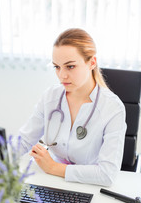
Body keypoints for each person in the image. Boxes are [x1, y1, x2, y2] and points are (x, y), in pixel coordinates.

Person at [18, 28, 126, 186]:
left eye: (70, 67)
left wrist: (54, 167)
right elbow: (23, 142)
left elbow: (107, 174)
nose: (62, 75)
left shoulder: (112, 108)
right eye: (57, 67)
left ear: (92, 63)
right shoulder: (51, 97)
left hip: (91, 188)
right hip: (53, 184)